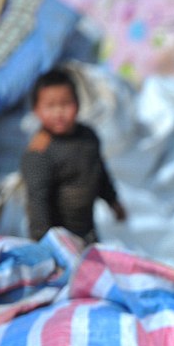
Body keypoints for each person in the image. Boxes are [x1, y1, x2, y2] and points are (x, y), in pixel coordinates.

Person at [20, 68, 126, 243]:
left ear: (77, 103)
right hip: (59, 237)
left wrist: (113, 202)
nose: (58, 112)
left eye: (65, 104)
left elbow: (99, 171)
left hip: (87, 230)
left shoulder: (88, 137)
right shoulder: (39, 153)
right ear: (36, 110)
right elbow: (37, 204)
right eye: (50, 106)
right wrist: (44, 244)